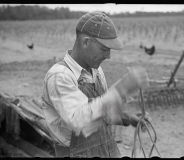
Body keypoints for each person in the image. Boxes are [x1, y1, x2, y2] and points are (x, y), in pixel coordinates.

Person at [41, 11, 150, 158]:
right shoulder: (59, 76)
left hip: (106, 150)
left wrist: (126, 118)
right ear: (86, 42)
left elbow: (98, 110)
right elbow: (79, 121)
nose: (109, 56)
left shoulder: (96, 71)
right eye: (104, 49)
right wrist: (121, 89)